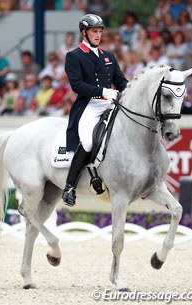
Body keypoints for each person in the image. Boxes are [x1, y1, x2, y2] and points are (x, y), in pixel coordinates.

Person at [62, 14, 128, 207]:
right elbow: (77, 85)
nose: (98, 35)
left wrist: (130, 91)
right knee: (89, 141)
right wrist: (103, 91)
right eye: (94, 31)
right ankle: (69, 186)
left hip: (110, 102)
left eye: (100, 31)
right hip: (90, 104)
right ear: (84, 33)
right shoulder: (74, 56)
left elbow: (121, 82)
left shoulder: (108, 56)